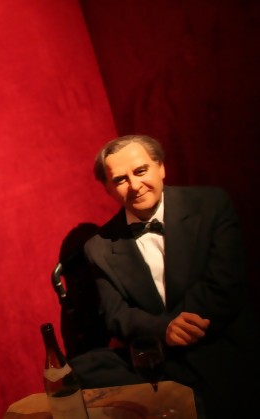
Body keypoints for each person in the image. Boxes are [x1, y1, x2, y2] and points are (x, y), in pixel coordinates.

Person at [69, 134, 260, 419]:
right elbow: (116, 315)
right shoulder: (98, 247)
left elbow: (225, 284)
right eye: (120, 179)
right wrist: (165, 329)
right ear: (108, 188)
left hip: (219, 339)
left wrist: (183, 326)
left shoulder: (211, 204)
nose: (134, 185)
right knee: (79, 369)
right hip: (157, 352)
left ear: (161, 168)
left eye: (140, 171)